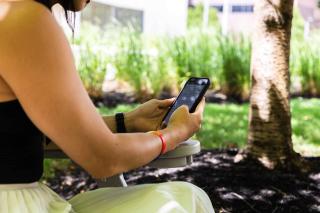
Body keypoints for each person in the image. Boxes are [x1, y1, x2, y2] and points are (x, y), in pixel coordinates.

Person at [0, 0, 214, 212]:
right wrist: (174, 133)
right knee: (185, 199)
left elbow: (23, 134)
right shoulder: (24, 18)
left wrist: (127, 122)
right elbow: (103, 158)